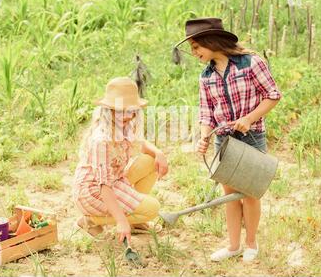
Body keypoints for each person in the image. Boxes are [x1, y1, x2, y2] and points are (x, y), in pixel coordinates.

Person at [174, 18, 282, 262]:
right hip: (223, 141)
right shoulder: (206, 76)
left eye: (196, 47)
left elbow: (273, 95)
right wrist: (203, 138)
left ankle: (251, 243)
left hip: (251, 137)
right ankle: (234, 245)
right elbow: (206, 112)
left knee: (250, 193)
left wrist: (250, 118)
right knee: (229, 194)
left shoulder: (251, 63)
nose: (194, 53)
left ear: (210, 42)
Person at [72, 77, 168, 246]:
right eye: (123, 110)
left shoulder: (124, 123)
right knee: (153, 208)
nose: (130, 116)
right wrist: (121, 220)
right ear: (109, 110)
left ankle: (135, 220)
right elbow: (104, 186)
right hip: (93, 191)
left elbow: (140, 143)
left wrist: (158, 153)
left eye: (132, 110)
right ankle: (91, 221)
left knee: (149, 161)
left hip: (115, 179)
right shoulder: (101, 140)